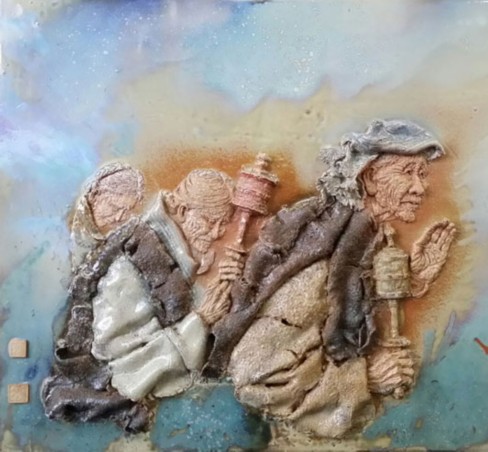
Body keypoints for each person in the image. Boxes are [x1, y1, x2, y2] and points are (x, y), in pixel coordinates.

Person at [205, 119, 457, 437]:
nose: (421, 188)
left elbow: (342, 302)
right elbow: (256, 376)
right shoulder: (322, 256)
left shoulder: (359, 240)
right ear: (370, 178)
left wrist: (411, 280)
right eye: (407, 172)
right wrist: (364, 379)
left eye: (422, 174)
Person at [42, 168, 241, 432]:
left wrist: (223, 285)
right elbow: (118, 364)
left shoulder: (173, 255)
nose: (216, 233)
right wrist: (200, 321)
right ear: (183, 211)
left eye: (223, 224)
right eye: (210, 221)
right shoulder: (129, 266)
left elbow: (178, 313)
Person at [70, 162, 145, 270]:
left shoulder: (126, 234)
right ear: (94, 196)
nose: (119, 217)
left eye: (126, 211)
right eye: (114, 208)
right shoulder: (73, 240)